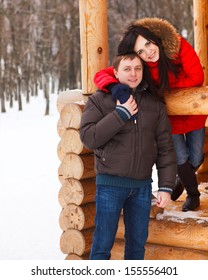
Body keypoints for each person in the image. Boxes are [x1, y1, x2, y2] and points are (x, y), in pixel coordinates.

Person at [93, 17, 206, 212]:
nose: (148, 52)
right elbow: (101, 75)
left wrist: (164, 90)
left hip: (192, 113)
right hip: (168, 119)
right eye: (140, 52)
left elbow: (197, 77)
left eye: (148, 44)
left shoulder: (176, 45)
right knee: (180, 157)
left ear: (155, 38)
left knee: (195, 159)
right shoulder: (141, 66)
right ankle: (193, 194)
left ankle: (180, 181)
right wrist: (114, 86)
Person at [80, 52, 177, 260]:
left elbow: (166, 148)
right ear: (115, 72)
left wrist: (166, 186)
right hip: (110, 185)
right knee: (102, 245)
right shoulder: (99, 101)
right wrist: (120, 115)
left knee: (136, 247)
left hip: (141, 188)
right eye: (127, 69)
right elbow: (89, 138)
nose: (133, 74)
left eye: (138, 68)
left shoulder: (154, 105)